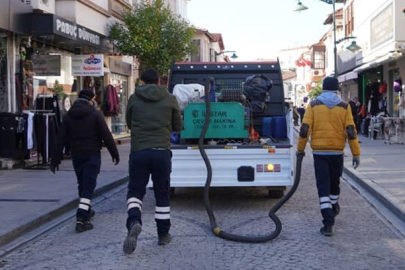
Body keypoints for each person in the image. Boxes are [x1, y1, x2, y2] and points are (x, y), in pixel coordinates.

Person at [123, 68, 182, 254]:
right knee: (162, 193)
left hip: (139, 152)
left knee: (135, 191)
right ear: (159, 81)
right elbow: (178, 126)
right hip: (161, 152)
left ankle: (134, 220)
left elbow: (129, 123)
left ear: (141, 81)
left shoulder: (134, 98)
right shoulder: (170, 98)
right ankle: (163, 235)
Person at [297, 77, 360, 237]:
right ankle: (334, 207)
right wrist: (356, 153)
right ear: (337, 90)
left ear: (323, 89)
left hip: (319, 153)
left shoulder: (313, 105)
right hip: (337, 153)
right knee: (334, 183)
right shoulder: (345, 107)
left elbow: (304, 129)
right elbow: (351, 131)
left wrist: (300, 149)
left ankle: (328, 223)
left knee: (323, 186)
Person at [50, 89, 120, 233]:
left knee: (83, 184)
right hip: (92, 155)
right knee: (88, 187)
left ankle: (86, 210)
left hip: (77, 156)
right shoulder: (95, 114)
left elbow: (60, 138)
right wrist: (114, 153)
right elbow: (106, 135)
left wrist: (55, 158)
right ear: (90, 100)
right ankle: (81, 219)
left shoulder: (69, 116)